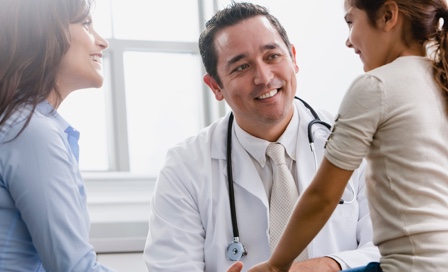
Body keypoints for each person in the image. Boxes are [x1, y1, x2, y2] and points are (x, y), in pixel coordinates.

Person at [144, 2, 380, 271]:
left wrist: (326, 266)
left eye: (272, 57)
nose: (264, 78)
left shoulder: (357, 139)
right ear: (215, 86)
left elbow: (394, 249)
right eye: (241, 67)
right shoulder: (184, 166)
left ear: (293, 58)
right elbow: (170, 266)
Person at [248, 0, 448, 271]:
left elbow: (322, 197)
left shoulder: (376, 86)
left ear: (388, 16)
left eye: (351, 22)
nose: (348, 41)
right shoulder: (440, 78)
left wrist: (276, 266)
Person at [0, 0, 114, 271]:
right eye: (86, 24)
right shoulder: (30, 131)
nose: (103, 42)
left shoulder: (17, 122)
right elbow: (74, 268)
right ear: (43, 33)